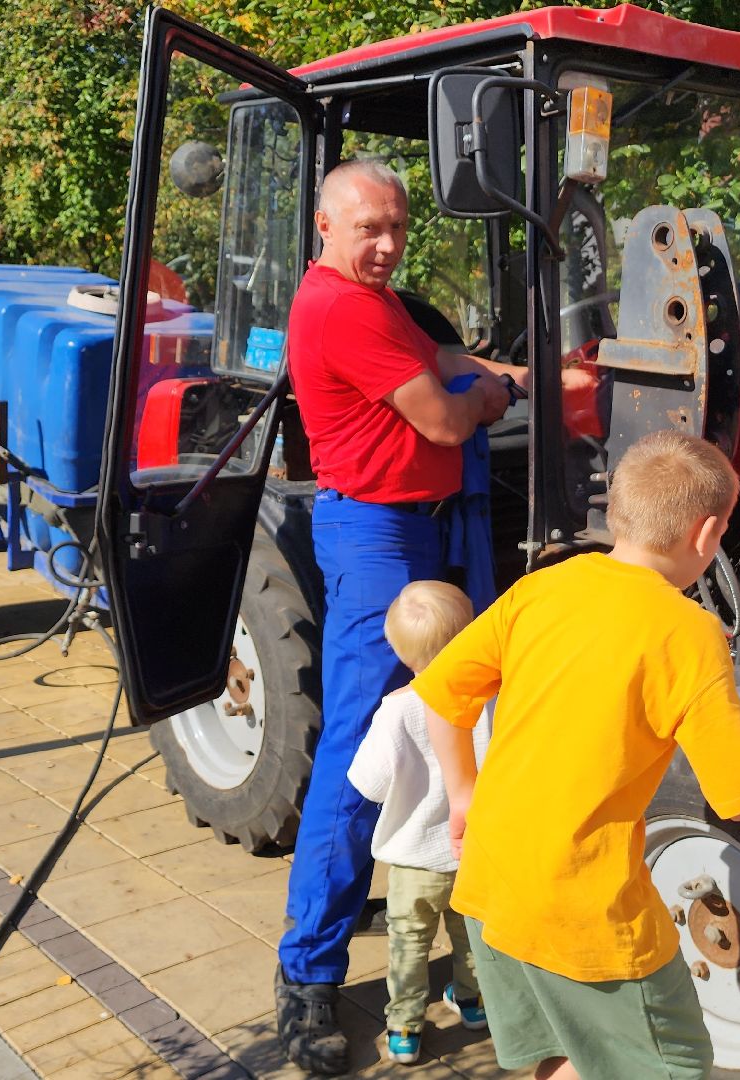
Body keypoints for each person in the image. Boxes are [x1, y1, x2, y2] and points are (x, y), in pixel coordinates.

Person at [414, 430, 740, 1080]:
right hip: (587, 913)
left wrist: (463, 791)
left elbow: (442, 695)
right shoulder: (688, 633)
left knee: (560, 1055)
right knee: (674, 1065)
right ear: (707, 534)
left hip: (494, 885)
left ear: (617, 513)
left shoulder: (542, 588)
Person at [274, 158, 515, 1075]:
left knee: (465, 711)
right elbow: (449, 421)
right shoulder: (338, 307)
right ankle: (307, 976)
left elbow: (437, 359)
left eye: (398, 229)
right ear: (326, 228)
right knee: (362, 740)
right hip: (380, 539)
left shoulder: (377, 302)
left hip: (425, 523)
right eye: (369, 227)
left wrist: (501, 366)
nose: (385, 245)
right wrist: (497, 396)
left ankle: (467, 914)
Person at [345, 581, 492, 1065]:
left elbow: (369, 782)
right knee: (470, 932)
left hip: (414, 860)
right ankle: (472, 1003)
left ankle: (405, 1026)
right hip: (473, 850)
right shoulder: (492, 699)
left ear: (398, 650)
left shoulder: (399, 710)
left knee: (410, 942)